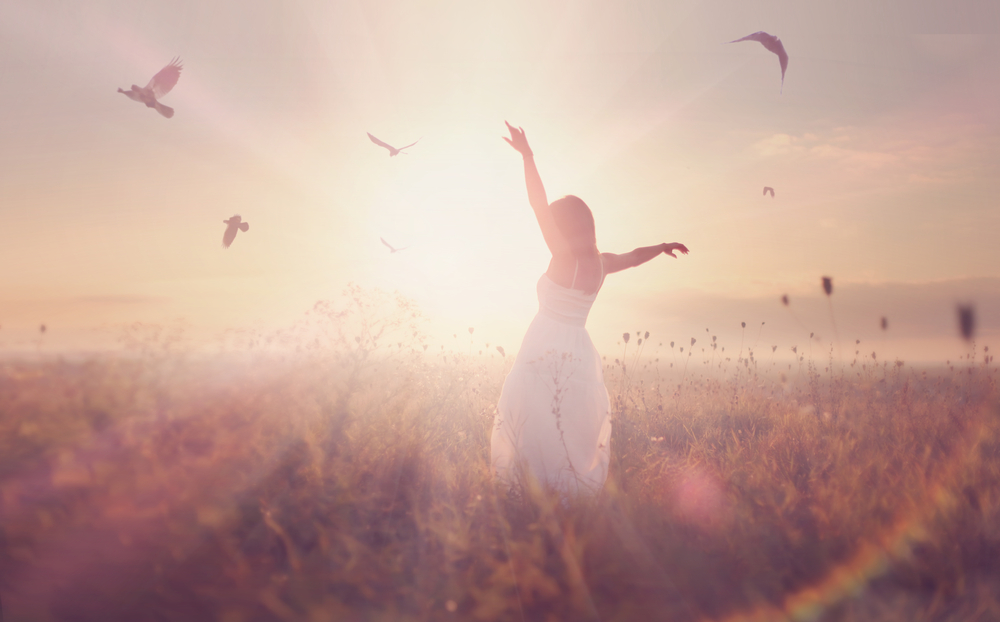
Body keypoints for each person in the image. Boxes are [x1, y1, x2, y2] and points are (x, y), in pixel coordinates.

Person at [491, 121, 689, 495]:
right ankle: (564, 491)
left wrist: (528, 156)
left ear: (564, 226)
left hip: (543, 344)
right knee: (566, 424)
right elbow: (632, 257)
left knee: (532, 420)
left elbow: (536, 204)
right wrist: (662, 247)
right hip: (579, 350)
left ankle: (526, 490)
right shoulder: (601, 264)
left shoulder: (562, 255)